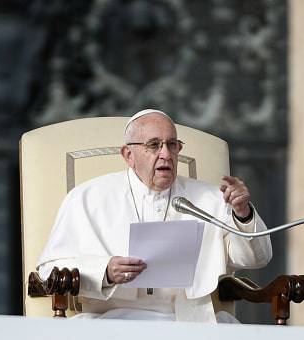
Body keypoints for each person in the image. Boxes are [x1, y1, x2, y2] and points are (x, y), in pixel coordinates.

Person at [38, 109, 272, 322]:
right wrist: (105, 271)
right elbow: (50, 270)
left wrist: (242, 213)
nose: (166, 154)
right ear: (128, 155)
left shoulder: (211, 198)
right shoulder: (87, 198)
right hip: (115, 320)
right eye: (153, 145)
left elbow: (256, 259)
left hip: (192, 321)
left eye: (172, 145)